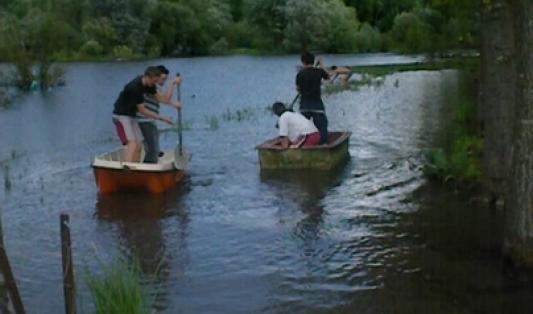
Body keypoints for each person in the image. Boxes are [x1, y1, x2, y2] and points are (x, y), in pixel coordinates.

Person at [112, 66, 175, 163]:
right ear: (147, 77)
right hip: (121, 116)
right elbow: (143, 111)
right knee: (132, 143)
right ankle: (126, 169)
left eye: (156, 81)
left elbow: (163, 99)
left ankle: (136, 168)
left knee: (139, 144)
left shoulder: (150, 85)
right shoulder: (134, 88)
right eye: (153, 81)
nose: (154, 84)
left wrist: (173, 100)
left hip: (131, 116)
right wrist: (162, 118)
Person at [138, 65, 182, 163]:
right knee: (153, 150)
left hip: (149, 120)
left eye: (165, 80)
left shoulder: (153, 87)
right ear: (155, 77)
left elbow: (163, 99)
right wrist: (172, 83)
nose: (163, 82)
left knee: (153, 147)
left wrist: (174, 104)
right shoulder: (152, 87)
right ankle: (148, 169)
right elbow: (166, 98)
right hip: (145, 120)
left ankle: (149, 164)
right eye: (162, 79)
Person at [296, 52, 330, 145]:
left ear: (302, 62)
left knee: (302, 128)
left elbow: (298, 90)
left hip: (304, 105)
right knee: (322, 127)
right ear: (313, 61)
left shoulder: (300, 74)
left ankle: (302, 145)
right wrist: (322, 65)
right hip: (317, 105)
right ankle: (323, 145)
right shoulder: (319, 71)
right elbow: (328, 76)